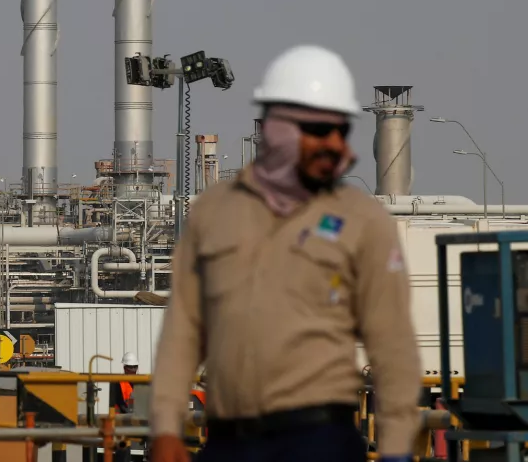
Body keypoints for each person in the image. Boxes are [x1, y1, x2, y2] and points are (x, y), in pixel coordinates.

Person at [148, 45, 422, 462]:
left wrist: (397, 448)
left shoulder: (362, 221)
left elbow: (393, 344)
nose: (331, 142)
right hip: (229, 441)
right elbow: (183, 331)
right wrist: (166, 428)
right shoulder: (215, 213)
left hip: (319, 440)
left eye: (338, 129)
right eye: (315, 127)